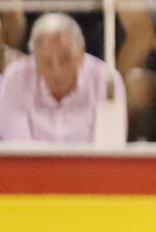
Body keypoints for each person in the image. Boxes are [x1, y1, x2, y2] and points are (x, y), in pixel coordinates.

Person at [0, 12, 125, 142]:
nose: (57, 71)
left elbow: (110, 148)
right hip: (31, 162)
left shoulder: (106, 80)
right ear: (35, 60)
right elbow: (18, 150)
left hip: (91, 163)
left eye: (65, 59)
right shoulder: (15, 79)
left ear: (81, 55)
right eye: (46, 62)